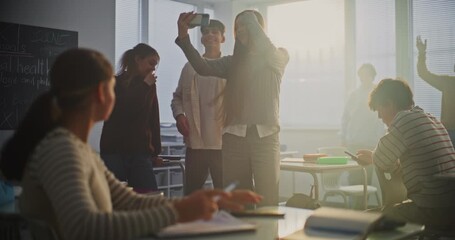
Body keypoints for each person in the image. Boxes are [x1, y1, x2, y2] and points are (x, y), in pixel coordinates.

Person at [0, 48, 262, 240]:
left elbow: (130, 201)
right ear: (103, 93)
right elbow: (84, 228)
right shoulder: (61, 150)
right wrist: (179, 211)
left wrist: (197, 200)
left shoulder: (78, 150)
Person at [176, 10, 289, 206]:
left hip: (266, 139)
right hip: (233, 139)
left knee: (267, 199)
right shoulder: (232, 63)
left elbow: (264, 48)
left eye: (248, 25)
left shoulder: (278, 56)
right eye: (239, 27)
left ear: (259, 28)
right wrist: (184, 36)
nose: (243, 29)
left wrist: (246, 18)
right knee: (238, 202)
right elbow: (202, 67)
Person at [355, 78, 455, 227]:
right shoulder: (430, 118)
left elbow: (382, 161)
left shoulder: (404, 120)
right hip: (449, 206)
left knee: (364, 221)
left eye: (379, 109)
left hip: (433, 209)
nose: (379, 117)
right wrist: (375, 157)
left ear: (389, 103)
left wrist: (373, 158)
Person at [171, 19, 226, 195]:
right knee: (192, 194)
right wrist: (179, 116)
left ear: (222, 38)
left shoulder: (229, 66)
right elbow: (177, 98)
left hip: (223, 144)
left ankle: (227, 223)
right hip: (196, 144)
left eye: (215, 32)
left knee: (224, 194)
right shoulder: (189, 67)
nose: (210, 35)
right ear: (201, 39)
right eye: (206, 32)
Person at [100, 43, 161, 193]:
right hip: (114, 150)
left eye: (155, 65)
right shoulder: (115, 82)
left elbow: (153, 118)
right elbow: (124, 109)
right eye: (151, 63)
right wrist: (145, 86)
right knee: (116, 200)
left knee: (150, 198)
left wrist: (155, 152)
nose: (153, 69)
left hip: (140, 151)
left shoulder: (149, 85)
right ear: (138, 59)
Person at [340, 63, 385, 208]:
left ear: (372, 75)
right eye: (361, 75)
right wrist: (343, 137)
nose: (364, 77)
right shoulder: (354, 94)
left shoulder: (379, 93)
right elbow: (345, 117)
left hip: (371, 142)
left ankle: (362, 210)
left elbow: (382, 117)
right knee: (353, 177)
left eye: (367, 74)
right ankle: (354, 211)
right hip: (354, 141)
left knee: (366, 178)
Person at [416, 36, 455, 146]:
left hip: (448, 131)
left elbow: (423, 74)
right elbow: (423, 73)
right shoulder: (448, 82)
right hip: (449, 131)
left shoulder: (448, 82)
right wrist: (421, 53)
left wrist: (422, 53)